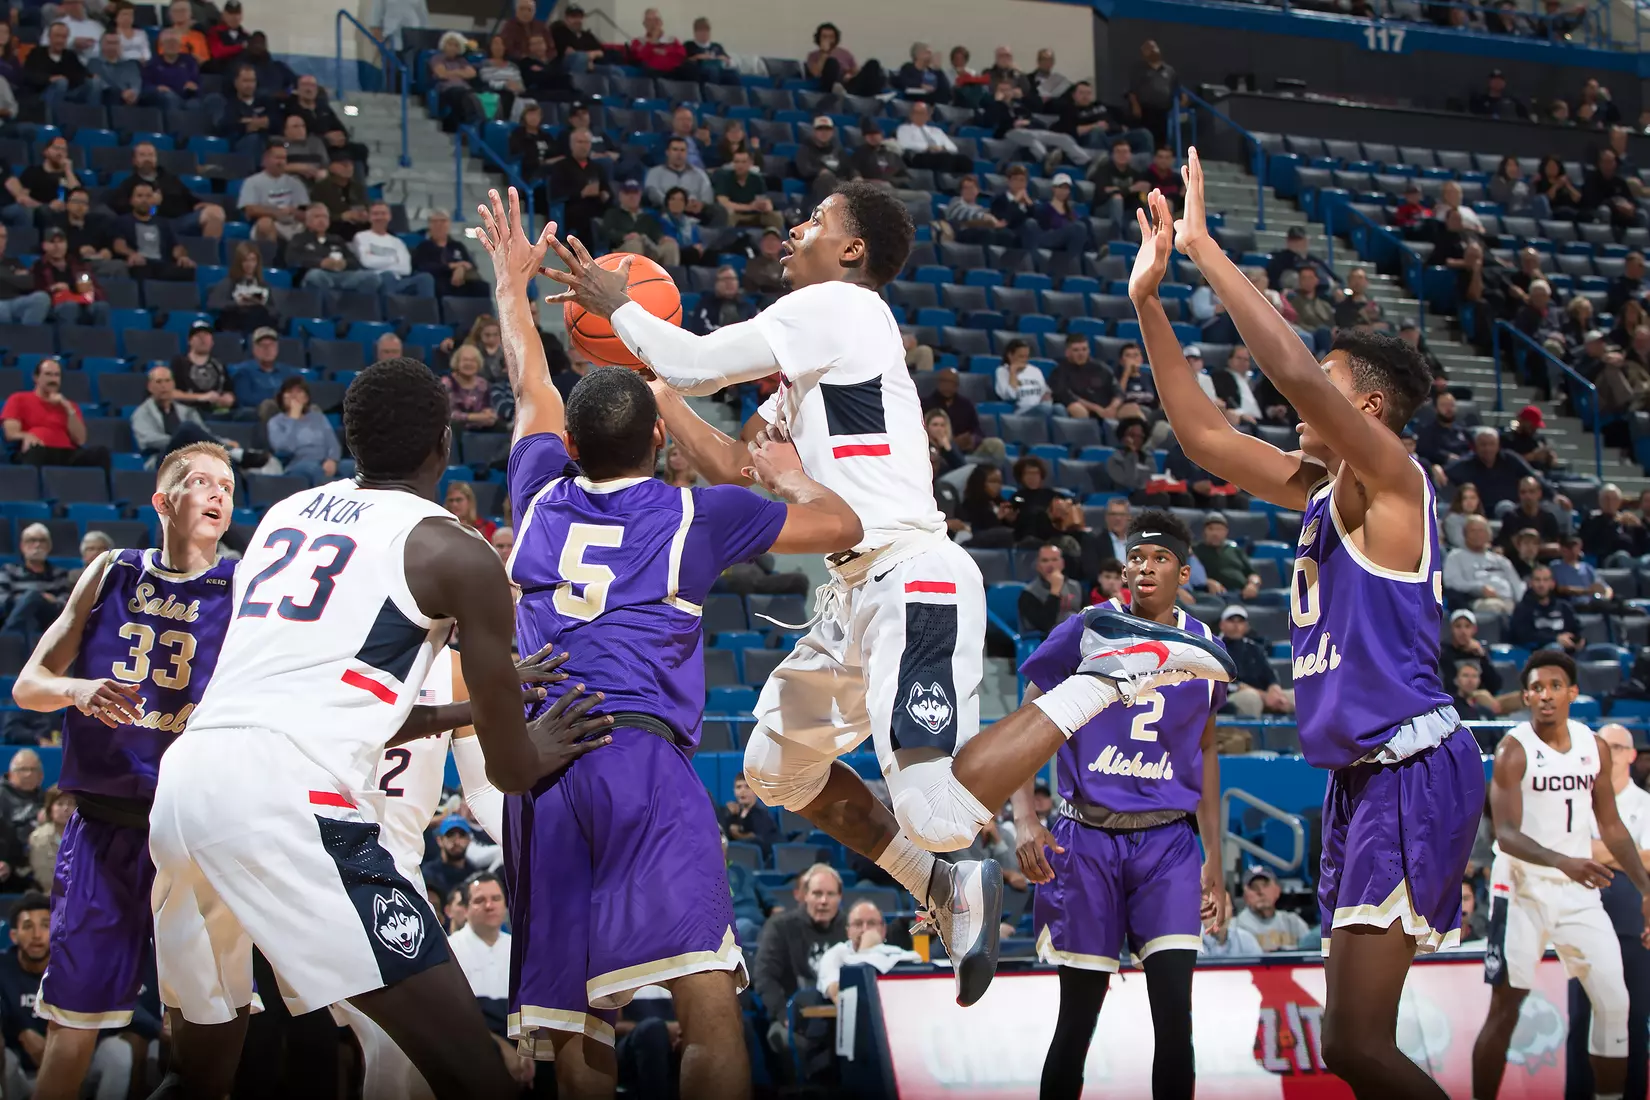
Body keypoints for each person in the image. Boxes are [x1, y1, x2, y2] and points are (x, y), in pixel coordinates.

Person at [545, 180, 1235, 1008]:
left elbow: (693, 362)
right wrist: (654, 388)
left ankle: (1112, 667)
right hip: (855, 595)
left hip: (914, 576)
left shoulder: (839, 304)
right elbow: (737, 463)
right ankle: (941, 889)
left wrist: (624, 312)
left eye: (815, 219)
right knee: (773, 768)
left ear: (850, 252)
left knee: (941, 812)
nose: (795, 226)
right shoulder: (813, 358)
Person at [473, 188, 868, 1099]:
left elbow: (529, 378)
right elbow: (840, 520)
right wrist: (778, 468)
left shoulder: (535, 491)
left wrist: (511, 281)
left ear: (569, 446)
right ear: (659, 440)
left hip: (541, 768)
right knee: (706, 1008)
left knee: (572, 1026)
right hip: (639, 762)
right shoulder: (698, 515)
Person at [142, 357, 620, 1100]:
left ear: (350, 437)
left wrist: (474, 703)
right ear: (445, 444)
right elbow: (512, 770)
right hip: (286, 800)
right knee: (473, 1072)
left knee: (202, 1073)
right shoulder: (457, 552)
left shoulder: (282, 517)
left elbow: (337, 700)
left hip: (188, 782)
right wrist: (539, 738)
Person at [1130, 154, 1484, 1096]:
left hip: (1408, 765)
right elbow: (1204, 435)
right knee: (1350, 1049)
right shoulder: (1321, 491)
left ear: (1362, 407)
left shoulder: (1394, 480)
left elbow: (1288, 368)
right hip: (1362, 779)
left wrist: (1204, 249)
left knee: (1360, 1049)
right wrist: (1150, 301)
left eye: (1325, 389)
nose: (1297, 406)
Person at [9, 444, 237, 1100]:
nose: (218, 493)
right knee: (72, 1026)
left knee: (195, 1032)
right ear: (164, 502)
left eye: (227, 484)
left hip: (194, 836)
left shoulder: (246, 584)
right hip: (106, 826)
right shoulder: (112, 571)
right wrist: (78, 691)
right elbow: (29, 685)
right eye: (201, 482)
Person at [1013, 510, 1230, 1100]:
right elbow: (1024, 723)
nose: (1144, 568)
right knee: (1077, 1022)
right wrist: (1025, 815)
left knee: (1175, 1021)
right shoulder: (1087, 629)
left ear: (1184, 572)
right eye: (1136, 558)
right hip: (1086, 838)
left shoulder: (1206, 647)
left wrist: (1216, 858)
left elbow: (1206, 752)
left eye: (1159, 558)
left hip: (1168, 844)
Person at [1473, 653, 1650, 1100]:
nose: (1545, 695)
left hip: (1577, 890)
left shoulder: (1594, 746)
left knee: (1615, 1002)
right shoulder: (1513, 748)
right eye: (1536, 688)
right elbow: (1506, 833)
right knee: (1506, 1008)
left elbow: (1612, 826)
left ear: (1573, 692)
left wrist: (1647, 889)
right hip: (1520, 886)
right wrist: (1563, 860)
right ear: (1527, 696)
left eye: (1556, 686)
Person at [1568, 723, 1650, 1100]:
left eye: (1617, 747)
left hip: (1633, 925)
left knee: (1632, 1018)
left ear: (1632, 755)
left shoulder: (1645, 804)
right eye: (1603, 746)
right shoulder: (1576, 800)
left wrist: (1596, 849)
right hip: (1579, 918)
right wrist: (1626, 852)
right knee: (1583, 1018)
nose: (1610, 753)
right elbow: (1570, 852)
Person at [1, 358, 109, 469]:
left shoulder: (69, 405)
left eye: (56, 375)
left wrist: (67, 408)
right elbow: (10, 433)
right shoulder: (18, 399)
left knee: (100, 453)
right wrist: (27, 436)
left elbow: (80, 440)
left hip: (67, 453)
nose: (53, 379)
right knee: (35, 452)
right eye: (48, 374)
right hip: (40, 451)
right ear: (36, 378)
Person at [1230, 866, 1311, 951]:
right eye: (1254, 887)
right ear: (1245, 897)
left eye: (1265, 885)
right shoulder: (1236, 927)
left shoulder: (1292, 922)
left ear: (1277, 891)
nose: (1260, 892)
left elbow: (1315, 951)